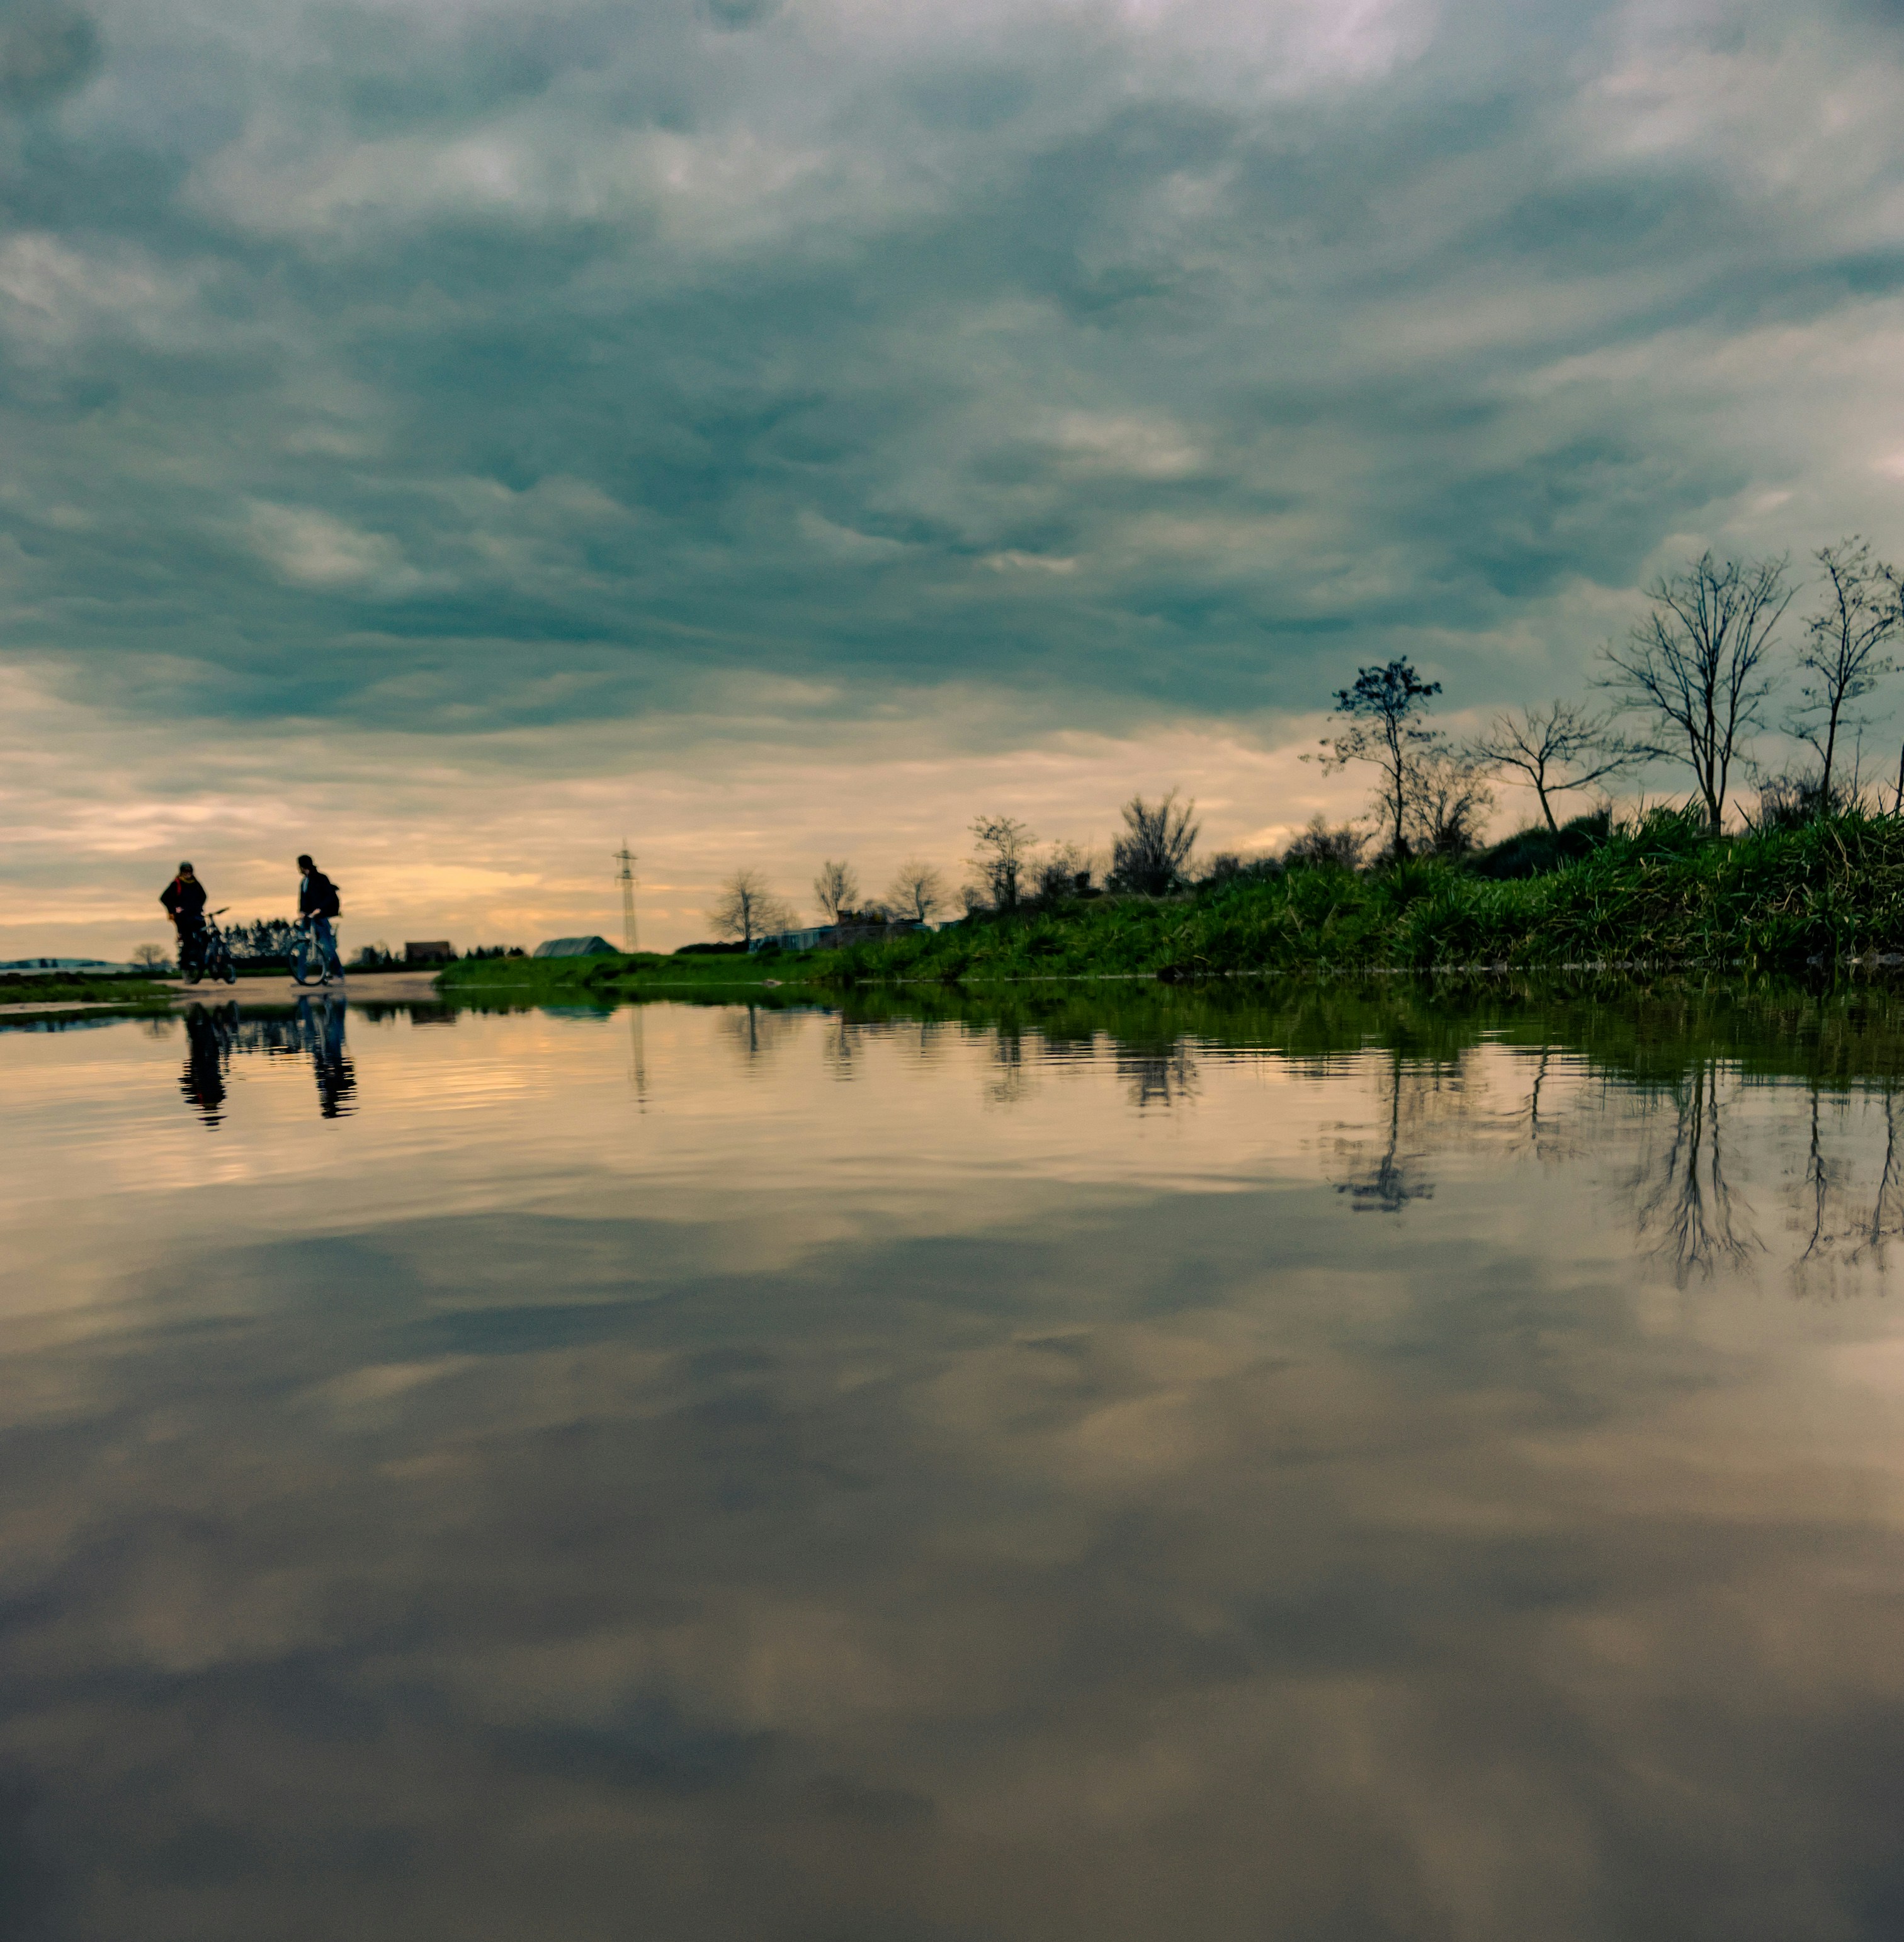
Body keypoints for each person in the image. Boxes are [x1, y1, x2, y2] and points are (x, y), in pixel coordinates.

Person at [296, 852, 344, 983]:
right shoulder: (304, 882)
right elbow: (303, 899)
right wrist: (301, 911)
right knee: (302, 946)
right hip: (307, 918)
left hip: (320, 917)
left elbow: (329, 896)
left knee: (327, 947)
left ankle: (339, 973)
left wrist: (320, 909)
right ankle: (301, 977)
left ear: (303, 866)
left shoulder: (321, 878)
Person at [159, 862, 208, 974]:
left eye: (189, 871)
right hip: (183, 917)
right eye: (185, 871)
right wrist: (173, 909)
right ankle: (186, 964)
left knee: (205, 936)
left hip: (196, 915)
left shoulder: (196, 883)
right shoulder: (176, 883)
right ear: (181, 872)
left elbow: (204, 896)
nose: (187, 873)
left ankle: (202, 959)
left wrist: (199, 906)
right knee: (188, 939)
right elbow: (164, 898)